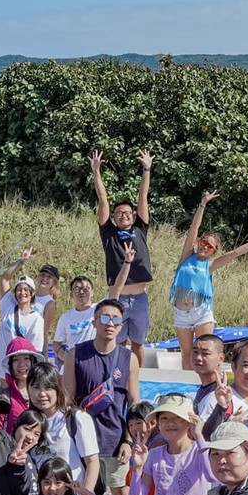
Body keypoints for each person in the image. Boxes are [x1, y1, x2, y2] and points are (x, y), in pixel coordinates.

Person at [66, 298, 140, 495]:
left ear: (121, 326)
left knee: (121, 493)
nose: (111, 324)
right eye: (105, 318)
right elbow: (68, 401)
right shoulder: (76, 354)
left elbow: (134, 404)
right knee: (82, 492)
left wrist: (129, 441)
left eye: (116, 320)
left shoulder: (129, 358)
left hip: (115, 439)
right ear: (95, 322)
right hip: (83, 441)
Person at [170, 190, 248, 369]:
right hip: (181, 314)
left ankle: (211, 385)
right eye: (203, 243)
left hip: (201, 312)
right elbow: (193, 230)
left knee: (206, 352)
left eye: (210, 246)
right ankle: (186, 388)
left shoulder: (210, 265)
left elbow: (235, 253)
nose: (205, 247)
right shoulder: (187, 257)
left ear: (213, 251)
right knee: (187, 356)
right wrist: (203, 204)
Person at [89, 147, 156, 362]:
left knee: (138, 343)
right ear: (115, 218)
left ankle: (137, 377)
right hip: (117, 297)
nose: (124, 215)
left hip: (140, 298)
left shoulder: (139, 229)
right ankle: (116, 375)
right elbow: (103, 200)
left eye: (128, 213)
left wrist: (146, 169)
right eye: (120, 214)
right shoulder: (109, 233)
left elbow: (143, 197)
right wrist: (96, 172)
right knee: (116, 342)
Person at [198, 339, 248, 434]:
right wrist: (228, 427)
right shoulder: (215, 400)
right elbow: (201, 441)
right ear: (233, 366)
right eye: (246, 365)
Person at [0, 274, 47, 375]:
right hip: (0, 367)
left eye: (26, 290)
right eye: (19, 290)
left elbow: (35, 350)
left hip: (19, 371)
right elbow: (4, 279)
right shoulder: (9, 306)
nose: (22, 293)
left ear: (32, 293)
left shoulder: (37, 319)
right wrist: (21, 261)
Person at [53, 274, 98, 362]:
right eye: (77, 289)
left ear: (92, 292)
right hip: (73, 362)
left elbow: (116, 289)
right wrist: (62, 354)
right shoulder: (65, 317)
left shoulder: (99, 309)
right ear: (71, 294)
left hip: (94, 361)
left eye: (86, 289)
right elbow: (56, 343)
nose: (81, 292)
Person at [0, 337, 43, 430]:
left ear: (33, 362)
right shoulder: (4, 397)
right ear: (10, 365)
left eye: (26, 358)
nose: (21, 364)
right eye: (16, 360)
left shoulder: (44, 394)